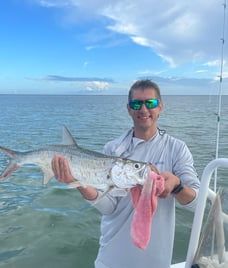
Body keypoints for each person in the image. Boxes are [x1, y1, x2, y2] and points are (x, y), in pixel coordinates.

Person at [51, 79, 200, 268]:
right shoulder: (113, 148)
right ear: (129, 109)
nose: (143, 109)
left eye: (150, 103)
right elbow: (109, 207)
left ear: (160, 107)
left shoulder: (177, 149)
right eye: (136, 104)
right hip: (112, 257)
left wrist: (177, 187)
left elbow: (198, 204)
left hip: (156, 261)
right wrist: (78, 182)